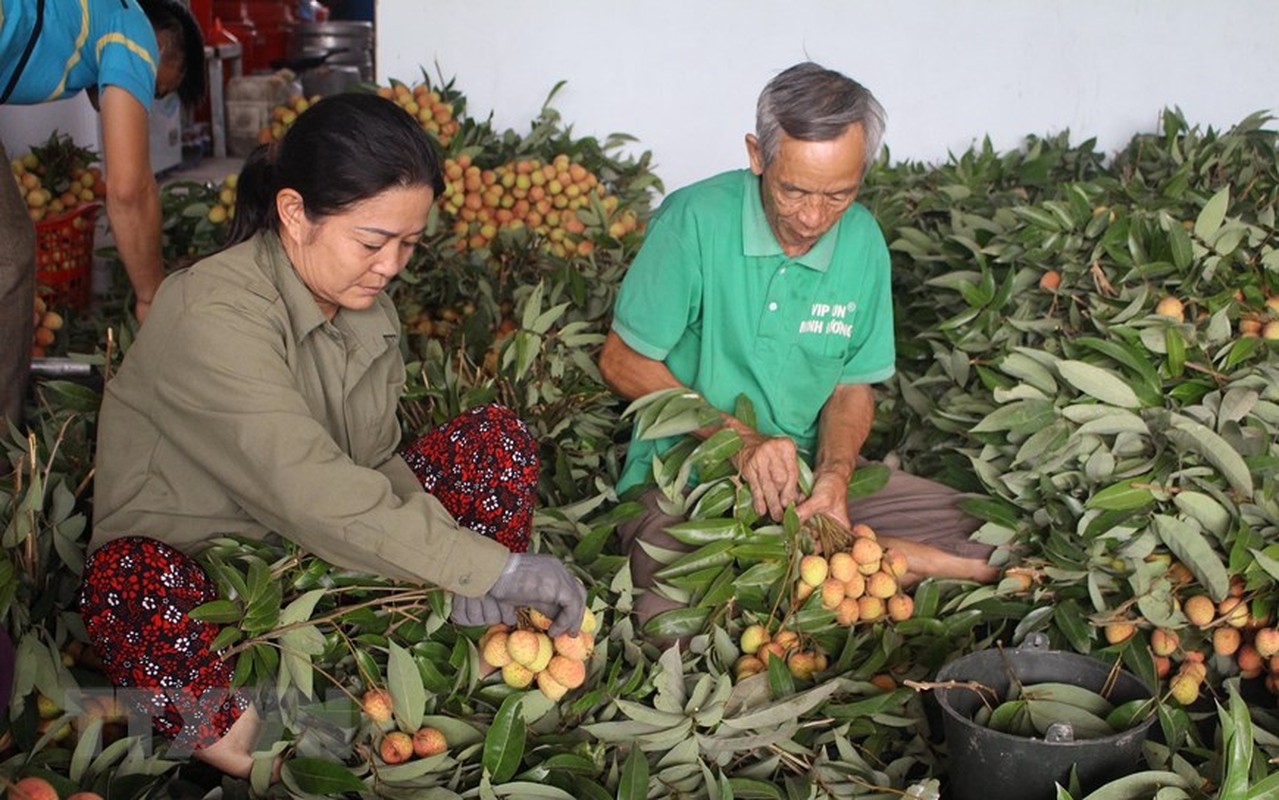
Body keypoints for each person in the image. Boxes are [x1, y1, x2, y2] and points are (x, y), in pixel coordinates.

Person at [80, 93, 586, 778]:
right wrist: (489, 565)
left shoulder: (364, 311)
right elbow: (306, 487)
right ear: (295, 214)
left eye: (409, 244)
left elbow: (374, 462)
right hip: (208, 571)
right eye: (373, 242)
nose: (392, 266)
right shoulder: (212, 311)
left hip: (313, 563)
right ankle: (263, 744)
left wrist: (460, 555)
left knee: (493, 440)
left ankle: (435, 647)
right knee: (130, 585)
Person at [598, 62, 999, 629]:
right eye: (794, 191)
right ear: (757, 155)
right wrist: (736, 441)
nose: (813, 218)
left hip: (811, 481)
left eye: (839, 195)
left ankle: (856, 551)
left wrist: (836, 473)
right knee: (676, 629)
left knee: (996, 540)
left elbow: (850, 387)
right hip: (684, 478)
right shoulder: (695, 221)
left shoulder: (862, 243)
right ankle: (879, 557)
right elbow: (621, 360)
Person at [0, 0, 206, 426]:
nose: (144, 96)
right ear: (167, 47)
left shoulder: (90, 15)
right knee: (8, 256)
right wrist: (151, 295)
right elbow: (130, 189)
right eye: (156, 88)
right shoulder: (134, 28)